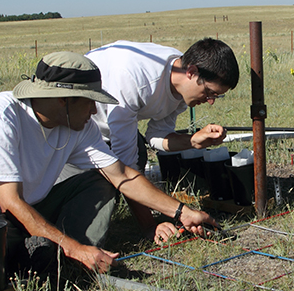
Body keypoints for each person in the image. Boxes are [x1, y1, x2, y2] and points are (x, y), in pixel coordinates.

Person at [0, 51, 217, 280]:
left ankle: (62, 256)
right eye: (90, 103)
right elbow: (8, 202)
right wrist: (73, 246)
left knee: (99, 182)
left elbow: (123, 175)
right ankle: (57, 254)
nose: (94, 111)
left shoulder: (78, 125)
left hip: (24, 209)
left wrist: (183, 212)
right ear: (63, 100)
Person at [82, 38, 239, 240]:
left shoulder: (181, 85)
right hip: (80, 128)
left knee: (136, 152)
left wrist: (193, 141)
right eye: (209, 92)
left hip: (110, 127)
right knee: (102, 191)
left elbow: (156, 137)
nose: (209, 101)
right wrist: (150, 226)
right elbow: (125, 168)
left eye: (216, 96)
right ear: (191, 72)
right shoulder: (135, 79)